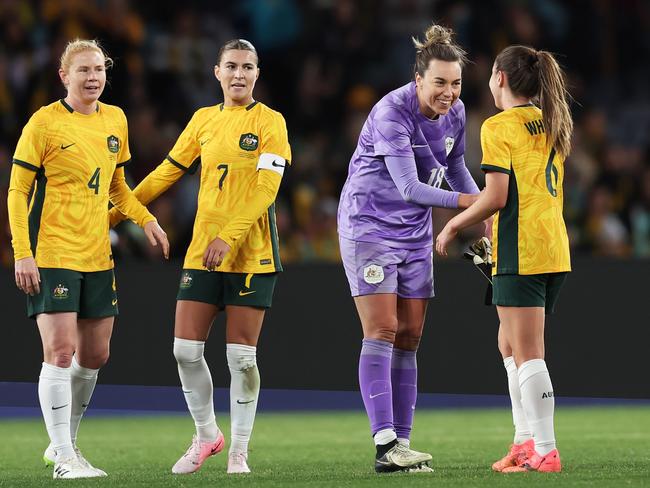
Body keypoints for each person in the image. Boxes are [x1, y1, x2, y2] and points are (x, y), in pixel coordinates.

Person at [108, 39, 291, 475]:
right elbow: (167, 171)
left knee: (242, 359)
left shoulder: (271, 123)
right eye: (231, 66)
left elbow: (267, 191)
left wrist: (229, 236)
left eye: (248, 67)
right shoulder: (203, 120)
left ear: (257, 74)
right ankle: (208, 435)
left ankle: (239, 452)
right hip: (202, 252)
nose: (239, 74)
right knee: (184, 350)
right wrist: (114, 216)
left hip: (251, 254)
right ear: (216, 72)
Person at [8, 39, 169, 479]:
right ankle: (63, 457)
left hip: (98, 254)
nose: (93, 77)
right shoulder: (43, 123)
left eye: (99, 69)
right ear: (64, 76)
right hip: (53, 251)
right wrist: (23, 253)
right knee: (60, 352)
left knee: (95, 356)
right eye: (83, 70)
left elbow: (118, 185)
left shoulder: (115, 119)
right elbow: (17, 191)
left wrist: (145, 219)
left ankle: (65, 444)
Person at [337, 24, 483, 473]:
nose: (449, 92)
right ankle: (384, 444)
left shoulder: (455, 114)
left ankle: (403, 443)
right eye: (439, 82)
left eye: (456, 83)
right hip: (370, 226)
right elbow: (410, 186)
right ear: (418, 79)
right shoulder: (391, 113)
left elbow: (455, 168)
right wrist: (473, 203)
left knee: (411, 335)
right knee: (381, 328)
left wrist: (483, 227)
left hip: (414, 233)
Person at [436, 44, 573, 473]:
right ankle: (524, 440)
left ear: (499, 78)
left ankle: (546, 450)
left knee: (528, 350)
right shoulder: (550, 120)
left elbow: (496, 196)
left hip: (522, 248)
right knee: (509, 343)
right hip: (552, 246)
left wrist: (454, 225)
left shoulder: (499, 126)